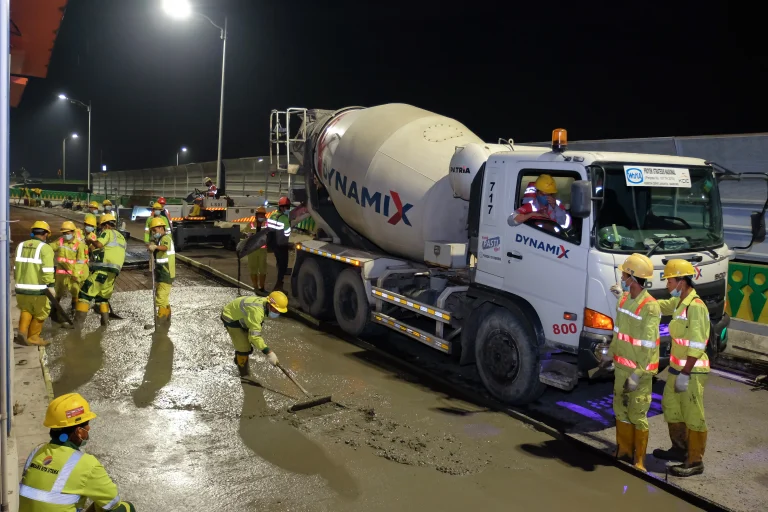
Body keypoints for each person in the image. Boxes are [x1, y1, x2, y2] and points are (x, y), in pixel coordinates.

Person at [19, 393, 136, 511]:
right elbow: (113, 502)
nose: (88, 430)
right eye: (87, 426)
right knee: (125, 508)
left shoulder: (36, 452)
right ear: (79, 431)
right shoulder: (87, 464)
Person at [652, 259, 710, 477]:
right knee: (671, 408)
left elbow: (698, 342)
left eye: (669, 280)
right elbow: (657, 305)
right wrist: (632, 297)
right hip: (677, 368)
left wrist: (686, 372)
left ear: (681, 281)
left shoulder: (696, 307)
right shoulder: (679, 303)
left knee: (693, 415)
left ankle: (695, 461)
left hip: (691, 371)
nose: (667, 284)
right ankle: (679, 450)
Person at [602, 253, 660, 472]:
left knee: (637, 413)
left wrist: (638, 373)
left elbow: (649, 345)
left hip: (639, 372)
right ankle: (624, 451)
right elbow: (619, 333)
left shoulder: (650, 307)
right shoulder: (624, 300)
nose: (622, 278)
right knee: (620, 409)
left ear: (632, 278)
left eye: (625, 275)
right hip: (621, 367)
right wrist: (610, 353)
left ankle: (639, 459)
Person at [75, 214, 126, 328]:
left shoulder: (107, 232)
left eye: (102, 226)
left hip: (103, 269)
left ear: (106, 225)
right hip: (114, 272)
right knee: (102, 298)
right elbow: (110, 251)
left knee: (85, 293)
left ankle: (77, 325)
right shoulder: (121, 237)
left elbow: (99, 244)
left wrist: (90, 240)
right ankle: (104, 323)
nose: (101, 229)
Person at [221, 292, 288, 377]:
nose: (277, 313)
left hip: (239, 315)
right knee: (244, 348)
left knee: (247, 342)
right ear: (269, 305)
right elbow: (254, 337)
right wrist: (269, 352)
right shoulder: (257, 312)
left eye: (279, 312)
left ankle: (239, 358)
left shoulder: (265, 303)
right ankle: (243, 373)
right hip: (230, 318)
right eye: (275, 310)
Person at [14, 221, 56, 346]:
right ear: (46, 234)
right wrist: (51, 285)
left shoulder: (20, 246)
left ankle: (22, 332)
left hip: (21, 288)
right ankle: (33, 337)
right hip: (38, 290)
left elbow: (16, 268)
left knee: (26, 309)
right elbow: (48, 269)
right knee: (42, 311)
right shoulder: (45, 248)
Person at [50, 222, 88, 313]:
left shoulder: (79, 244)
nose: (65, 235)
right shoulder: (60, 240)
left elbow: (80, 261)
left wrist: (75, 274)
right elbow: (50, 248)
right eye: (63, 233)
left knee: (75, 292)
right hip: (61, 272)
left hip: (73, 273)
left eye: (67, 233)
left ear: (73, 232)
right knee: (58, 291)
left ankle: (74, 310)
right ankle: (54, 310)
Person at [147, 217, 175, 325]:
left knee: (161, 296)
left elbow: (165, 247)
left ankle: (160, 319)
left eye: (155, 230)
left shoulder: (166, 238)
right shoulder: (160, 239)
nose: (154, 233)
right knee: (164, 296)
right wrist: (153, 246)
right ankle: (167, 315)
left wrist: (156, 247)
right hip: (162, 271)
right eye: (152, 231)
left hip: (166, 272)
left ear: (161, 228)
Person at [266, 197, 292, 292]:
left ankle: (279, 285)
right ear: (282, 207)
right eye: (287, 207)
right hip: (282, 244)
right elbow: (287, 233)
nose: (288, 209)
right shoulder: (284, 218)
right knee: (283, 266)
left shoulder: (273, 215)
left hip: (274, 244)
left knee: (279, 264)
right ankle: (278, 286)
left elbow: (269, 228)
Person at [247, 207, 269, 293]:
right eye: (259, 214)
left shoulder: (267, 225)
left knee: (263, 269)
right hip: (252, 250)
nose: (261, 216)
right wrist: (247, 235)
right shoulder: (251, 224)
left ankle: (262, 287)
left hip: (262, 250)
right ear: (256, 216)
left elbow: (270, 236)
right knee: (253, 269)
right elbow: (245, 234)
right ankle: (255, 287)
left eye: (262, 215)